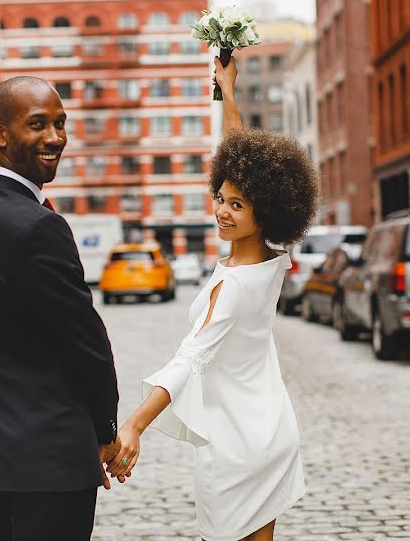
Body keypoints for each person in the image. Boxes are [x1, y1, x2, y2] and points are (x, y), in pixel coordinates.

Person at [108, 57, 319, 541]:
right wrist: (227, 92)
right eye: (220, 197)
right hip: (268, 429)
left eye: (237, 205)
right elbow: (240, 158)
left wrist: (135, 424)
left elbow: (191, 359)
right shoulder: (270, 259)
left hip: (238, 447)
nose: (222, 210)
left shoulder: (236, 284)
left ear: (264, 212)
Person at [0, 76, 123, 540]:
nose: (55, 138)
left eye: (60, 124)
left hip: (2, 458)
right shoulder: (37, 226)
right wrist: (107, 430)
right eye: (38, 125)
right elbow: (85, 341)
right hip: (52, 460)